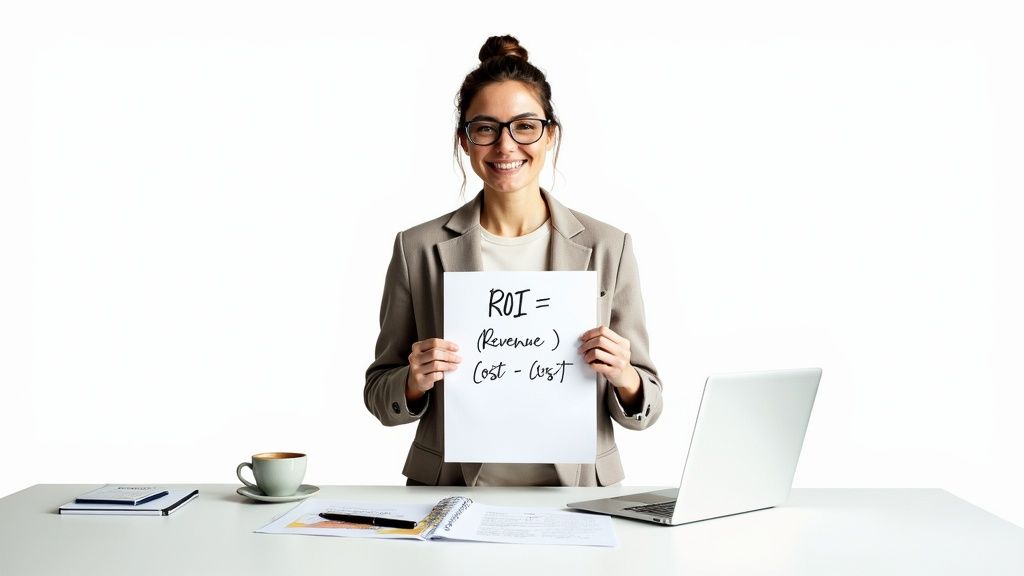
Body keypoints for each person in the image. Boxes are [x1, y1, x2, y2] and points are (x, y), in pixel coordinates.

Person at [364, 35, 662, 487]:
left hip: (577, 492)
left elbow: (648, 406)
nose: (505, 146)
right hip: (451, 489)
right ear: (465, 141)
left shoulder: (608, 246)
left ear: (550, 135)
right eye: (485, 128)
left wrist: (624, 375)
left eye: (524, 126)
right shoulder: (418, 248)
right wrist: (413, 380)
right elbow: (379, 392)